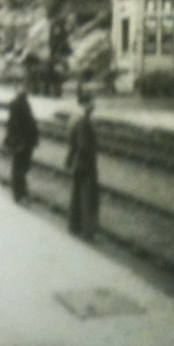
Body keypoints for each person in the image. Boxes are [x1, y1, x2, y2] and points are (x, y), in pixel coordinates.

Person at [66, 90, 100, 241]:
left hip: (78, 162)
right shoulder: (84, 122)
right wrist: (88, 158)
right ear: (85, 104)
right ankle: (87, 232)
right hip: (86, 163)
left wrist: (70, 159)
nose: (94, 105)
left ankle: (74, 226)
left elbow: (73, 144)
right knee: (88, 196)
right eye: (92, 102)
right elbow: (83, 145)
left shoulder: (76, 119)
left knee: (77, 194)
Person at [3, 81, 40, 203]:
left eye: (25, 88)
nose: (24, 90)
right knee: (20, 168)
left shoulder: (22, 103)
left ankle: (21, 192)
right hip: (22, 142)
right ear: (17, 90)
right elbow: (15, 125)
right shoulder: (18, 104)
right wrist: (19, 141)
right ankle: (19, 194)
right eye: (21, 88)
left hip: (24, 141)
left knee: (21, 167)